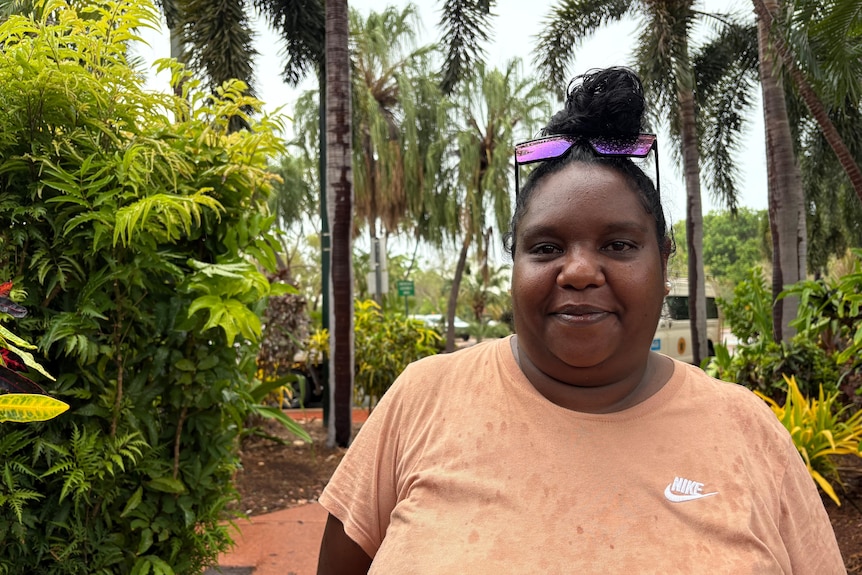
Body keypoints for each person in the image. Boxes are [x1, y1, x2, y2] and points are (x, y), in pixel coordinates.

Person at [316, 67, 845, 574]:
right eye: (546, 247)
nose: (579, 271)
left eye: (618, 244)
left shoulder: (747, 431)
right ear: (515, 266)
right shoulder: (423, 399)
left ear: (663, 262)